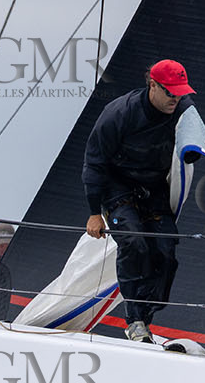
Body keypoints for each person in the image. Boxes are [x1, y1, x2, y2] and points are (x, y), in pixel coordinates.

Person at [83, 59, 196, 342]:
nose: (176, 99)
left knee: (166, 251)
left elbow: (197, 143)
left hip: (153, 186)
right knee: (134, 242)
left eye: (181, 92)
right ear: (153, 86)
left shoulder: (184, 108)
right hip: (116, 186)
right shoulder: (119, 113)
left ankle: (145, 319)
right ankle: (134, 320)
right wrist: (94, 212)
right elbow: (94, 163)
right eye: (170, 92)